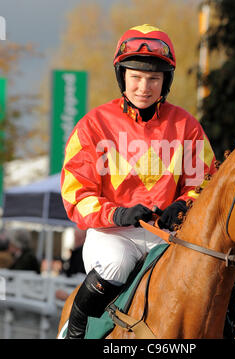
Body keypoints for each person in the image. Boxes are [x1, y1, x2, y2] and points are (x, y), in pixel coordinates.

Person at [61, 24, 217, 339]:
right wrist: (118, 214)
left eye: (153, 79)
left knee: (209, 270)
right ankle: (74, 329)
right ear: (122, 78)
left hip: (166, 234)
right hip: (113, 235)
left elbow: (207, 184)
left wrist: (183, 205)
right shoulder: (93, 125)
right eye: (135, 77)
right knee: (117, 263)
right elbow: (75, 194)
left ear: (165, 82)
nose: (143, 87)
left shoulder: (186, 126)